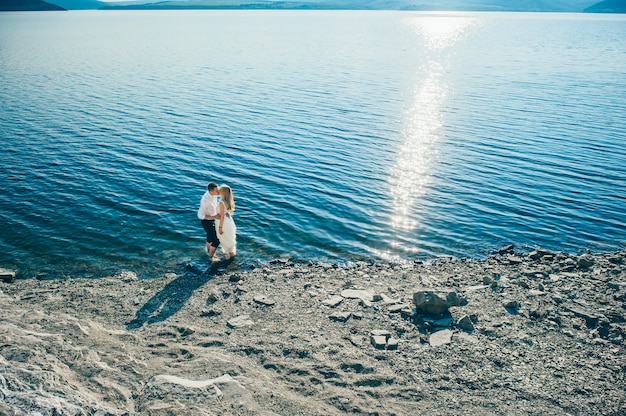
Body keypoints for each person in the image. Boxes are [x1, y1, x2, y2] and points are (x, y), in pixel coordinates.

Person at [197, 182, 221, 260]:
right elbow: (201, 216)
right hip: (206, 221)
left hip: (212, 219)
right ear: (211, 191)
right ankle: (211, 256)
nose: (218, 192)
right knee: (217, 240)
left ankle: (208, 251)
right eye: (216, 191)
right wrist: (214, 216)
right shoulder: (205, 200)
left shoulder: (213, 195)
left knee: (210, 237)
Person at [215, 184, 236, 259]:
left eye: (219, 190)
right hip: (229, 221)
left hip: (223, 223)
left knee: (225, 240)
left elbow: (222, 216)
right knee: (228, 240)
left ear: (223, 192)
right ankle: (232, 258)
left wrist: (220, 227)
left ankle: (231, 258)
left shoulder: (221, 203)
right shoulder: (227, 201)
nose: (218, 191)